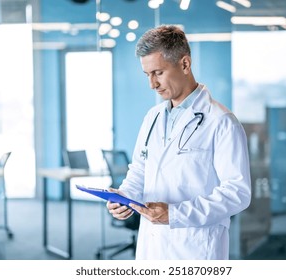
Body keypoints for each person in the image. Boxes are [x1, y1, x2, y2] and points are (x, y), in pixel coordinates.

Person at [107, 25, 251, 260]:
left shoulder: (222, 122)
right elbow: (139, 171)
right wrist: (123, 197)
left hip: (194, 248)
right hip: (152, 246)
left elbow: (237, 193)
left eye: (158, 73)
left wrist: (175, 214)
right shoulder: (152, 117)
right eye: (147, 75)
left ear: (185, 64)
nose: (152, 84)